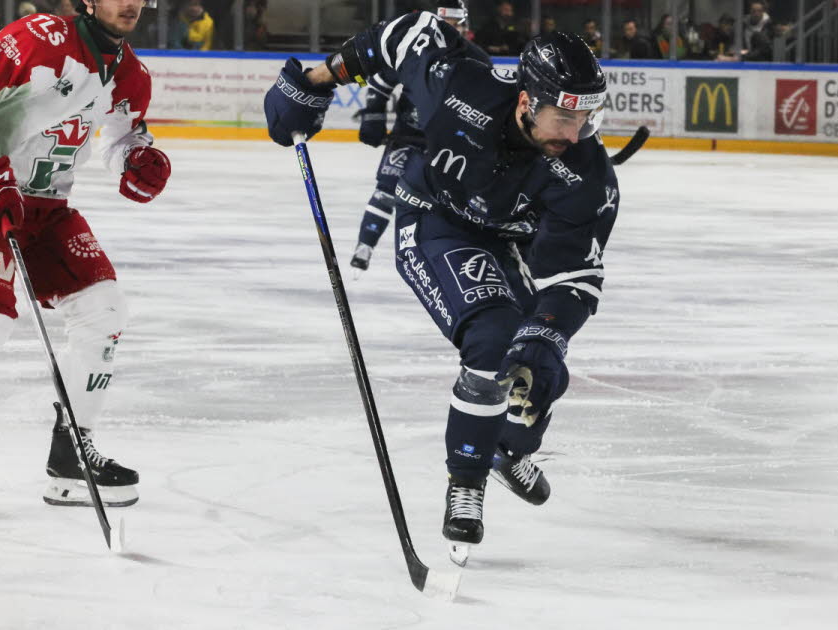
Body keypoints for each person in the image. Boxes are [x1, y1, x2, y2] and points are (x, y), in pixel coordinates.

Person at [263, 16, 618, 560]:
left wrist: (548, 338)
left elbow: (573, 277)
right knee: (494, 339)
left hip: (508, 245)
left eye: (585, 118)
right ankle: (467, 483)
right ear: (526, 100)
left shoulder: (588, 175)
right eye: (564, 117)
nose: (575, 134)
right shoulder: (462, 87)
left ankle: (509, 448)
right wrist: (317, 80)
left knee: (534, 373)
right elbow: (406, 34)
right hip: (435, 221)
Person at [0, 0, 170, 518]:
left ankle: (71, 455)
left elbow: (124, 136)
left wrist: (138, 159)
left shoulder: (131, 72)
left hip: (46, 207)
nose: (131, 3)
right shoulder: (41, 36)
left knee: (104, 307)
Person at [348, 0, 489, 274]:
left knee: (449, 203)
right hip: (408, 135)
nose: (451, 29)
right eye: (446, 23)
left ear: (464, 24)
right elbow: (379, 80)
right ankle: (364, 246)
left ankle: (446, 256)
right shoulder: (415, 49)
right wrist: (373, 116)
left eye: (456, 24)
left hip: (449, 144)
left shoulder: (478, 60)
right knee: (386, 189)